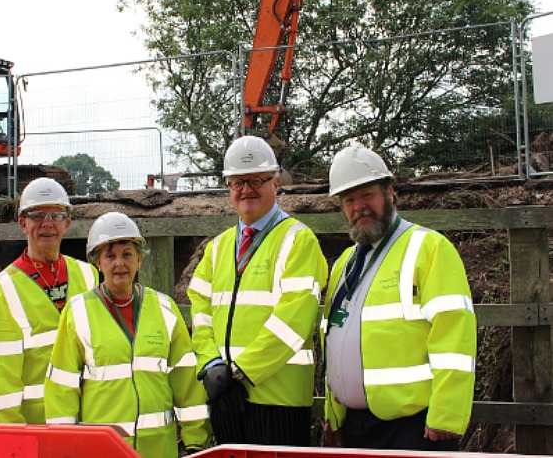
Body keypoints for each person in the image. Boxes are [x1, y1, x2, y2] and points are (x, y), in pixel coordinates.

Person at [321, 145, 477, 451]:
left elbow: (455, 335)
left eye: (367, 195)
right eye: (349, 200)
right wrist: (334, 415)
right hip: (354, 426)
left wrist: (446, 414)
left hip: (414, 427)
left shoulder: (429, 248)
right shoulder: (345, 263)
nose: (359, 207)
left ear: (390, 193)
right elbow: (335, 339)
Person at [187, 135, 328, 446]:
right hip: (225, 397)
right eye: (237, 182)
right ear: (228, 187)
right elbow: (200, 311)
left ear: (275, 183)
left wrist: (240, 375)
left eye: (255, 181)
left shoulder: (298, 241)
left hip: (278, 401)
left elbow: (293, 321)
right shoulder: (218, 247)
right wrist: (211, 366)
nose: (246, 190)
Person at [44, 211, 211, 458]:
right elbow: (62, 387)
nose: (119, 263)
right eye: (109, 256)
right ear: (97, 263)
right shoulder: (78, 312)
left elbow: (186, 380)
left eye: (127, 254)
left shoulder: (164, 308)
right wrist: (64, 447)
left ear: (140, 260)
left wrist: (196, 442)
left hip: (158, 449)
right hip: (102, 451)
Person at [0, 177, 98, 423]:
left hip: (87, 419)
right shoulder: (3, 289)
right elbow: (4, 379)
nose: (47, 224)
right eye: (37, 215)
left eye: (56, 216)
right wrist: (15, 442)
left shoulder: (89, 275)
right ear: (23, 223)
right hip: (39, 426)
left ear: (67, 223)